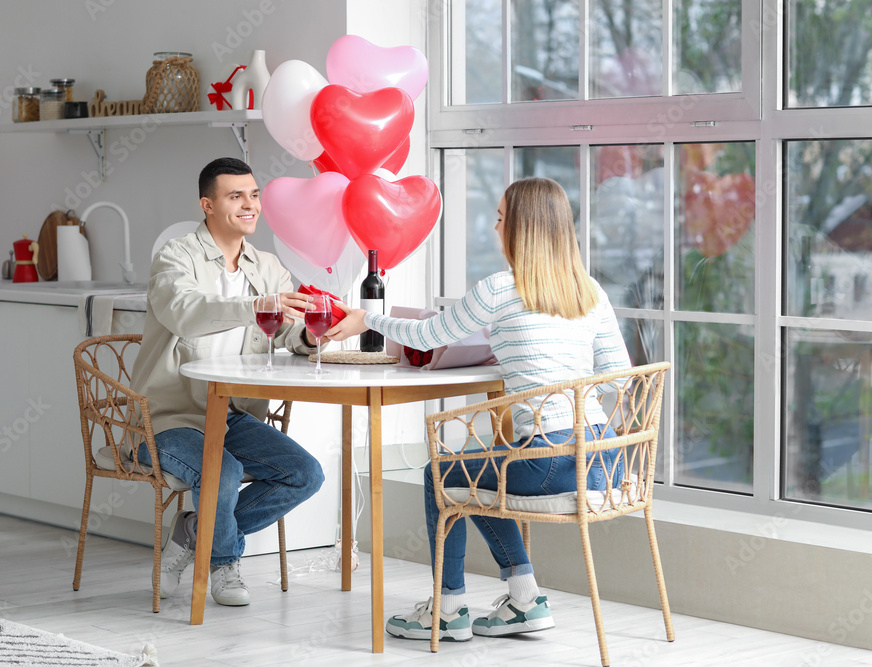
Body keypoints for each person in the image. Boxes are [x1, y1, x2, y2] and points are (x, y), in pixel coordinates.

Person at [326, 177, 631, 641]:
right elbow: (622, 380)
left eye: (501, 218)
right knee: (478, 473)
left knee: (440, 473)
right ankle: (524, 600)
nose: (494, 227)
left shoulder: (498, 289)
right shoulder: (590, 292)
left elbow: (430, 336)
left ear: (522, 229)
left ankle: (447, 610)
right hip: (602, 463)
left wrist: (366, 318)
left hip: (545, 464)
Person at [129, 157, 325, 606]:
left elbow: (289, 332)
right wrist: (256, 306)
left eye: (254, 195)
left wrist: (316, 333)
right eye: (235, 196)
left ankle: (196, 532)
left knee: (304, 474)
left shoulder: (268, 266)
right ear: (208, 205)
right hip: (165, 418)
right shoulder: (175, 257)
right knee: (225, 469)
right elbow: (185, 312)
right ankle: (222, 564)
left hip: (232, 414)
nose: (249, 204)